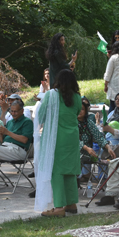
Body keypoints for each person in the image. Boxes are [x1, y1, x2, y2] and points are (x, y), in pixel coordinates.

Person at [33, 69, 81, 217]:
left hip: (57, 138)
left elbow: (40, 116)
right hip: (72, 138)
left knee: (56, 172)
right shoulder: (77, 97)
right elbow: (78, 111)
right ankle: (71, 204)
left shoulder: (51, 95)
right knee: (70, 171)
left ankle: (59, 207)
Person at [78, 99, 115, 181]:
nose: (80, 111)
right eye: (77, 108)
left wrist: (108, 147)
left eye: (82, 109)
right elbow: (72, 140)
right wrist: (85, 147)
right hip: (72, 152)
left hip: (86, 154)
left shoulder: (88, 123)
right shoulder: (71, 122)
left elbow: (98, 136)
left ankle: (85, 176)